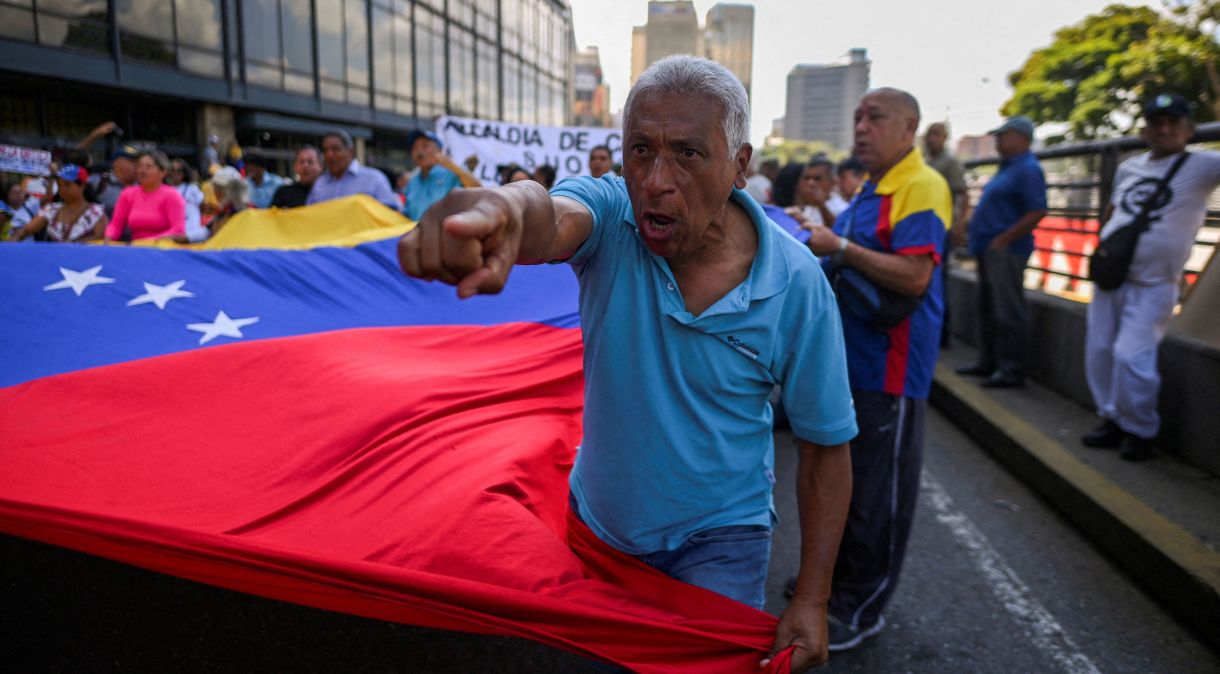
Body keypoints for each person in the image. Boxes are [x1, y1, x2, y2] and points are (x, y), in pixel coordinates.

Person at [398, 55, 857, 672]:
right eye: (640, 150)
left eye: (687, 154)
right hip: (600, 532)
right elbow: (551, 214)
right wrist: (504, 210)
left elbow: (826, 447)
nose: (655, 180)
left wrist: (811, 597)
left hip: (722, 542)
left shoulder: (797, 284)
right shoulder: (612, 217)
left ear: (740, 166)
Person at [801, 88, 951, 651]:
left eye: (876, 118)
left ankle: (862, 606)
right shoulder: (872, 187)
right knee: (846, 481)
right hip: (857, 361)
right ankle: (838, 586)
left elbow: (913, 277)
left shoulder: (922, 186)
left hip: (892, 366)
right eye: (858, 116)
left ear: (909, 128)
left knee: (876, 495)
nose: (861, 127)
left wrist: (837, 245)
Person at [1082, 93, 1220, 461]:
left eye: (1172, 122)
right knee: (1100, 353)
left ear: (1189, 130)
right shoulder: (1130, 167)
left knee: (1131, 356)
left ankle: (1139, 429)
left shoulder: (1203, 166)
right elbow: (1114, 210)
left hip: (1155, 284)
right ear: (1144, 131)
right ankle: (1111, 418)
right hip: (1112, 276)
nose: (1164, 129)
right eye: (1156, 122)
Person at [955, 116, 1047, 387]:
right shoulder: (1008, 167)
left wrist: (1005, 239)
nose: (997, 140)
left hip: (1006, 250)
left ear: (1021, 138)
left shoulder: (1028, 168)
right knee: (988, 308)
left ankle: (1011, 369)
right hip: (989, 248)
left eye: (1003, 135)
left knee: (1008, 311)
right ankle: (989, 362)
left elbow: (1038, 210)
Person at [923, 122, 971, 347]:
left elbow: (963, 194)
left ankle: (943, 335)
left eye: (937, 134)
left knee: (939, 282)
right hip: (926, 229)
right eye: (930, 134)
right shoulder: (927, 162)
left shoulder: (949, 162)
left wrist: (959, 224)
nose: (932, 139)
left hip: (942, 229)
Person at [10, 165, 108, 243]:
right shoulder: (51, 210)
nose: (62, 189)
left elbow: (102, 239)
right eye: (60, 185)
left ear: (82, 186)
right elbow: (26, 230)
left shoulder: (96, 212)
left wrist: (75, 245)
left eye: (67, 185)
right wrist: (13, 241)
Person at [305, 130, 400, 210]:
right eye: (325, 150)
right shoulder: (320, 184)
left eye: (335, 149)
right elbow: (310, 216)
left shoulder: (374, 179)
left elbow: (391, 213)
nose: (330, 155)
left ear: (351, 151)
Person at [105, 150, 186, 242]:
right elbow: (115, 225)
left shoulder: (172, 195)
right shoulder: (128, 194)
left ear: (162, 172)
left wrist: (151, 241)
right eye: (140, 166)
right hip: (136, 247)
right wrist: (109, 237)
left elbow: (178, 229)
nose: (142, 170)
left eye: (149, 167)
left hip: (161, 249)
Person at [401, 129, 481, 220]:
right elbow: (407, 214)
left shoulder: (452, 173)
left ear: (439, 149)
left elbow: (477, 188)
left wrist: (451, 166)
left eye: (425, 145)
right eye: (415, 147)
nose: (419, 151)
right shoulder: (412, 183)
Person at [788, 157, 849, 228]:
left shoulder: (842, 209)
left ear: (833, 182)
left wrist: (822, 207)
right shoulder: (811, 205)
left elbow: (837, 233)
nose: (810, 183)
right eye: (807, 178)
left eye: (817, 179)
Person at [89, 144, 141, 218]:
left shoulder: (145, 186)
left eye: (139, 162)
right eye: (132, 161)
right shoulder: (99, 183)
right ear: (117, 163)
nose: (138, 165)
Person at [167, 158, 208, 243]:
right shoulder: (165, 190)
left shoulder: (192, 188)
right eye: (172, 170)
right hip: (173, 234)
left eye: (179, 171)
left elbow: (203, 207)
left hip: (192, 233)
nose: (175, 173)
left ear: (184, 173)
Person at [207, 166, 251, 234]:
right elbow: (207, 230)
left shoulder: (238, 212)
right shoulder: (224, 210)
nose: (215, 192)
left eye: (216, 189)